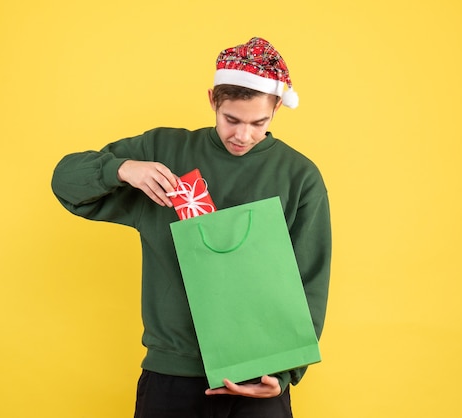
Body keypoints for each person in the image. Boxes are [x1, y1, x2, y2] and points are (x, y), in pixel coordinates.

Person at [51, 37, 331, 418]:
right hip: (172, 376)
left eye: (259, 123)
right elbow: (65, 181)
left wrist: (284, 372)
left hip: (259, 375)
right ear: (213, 100)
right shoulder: (164, 152)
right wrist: (122, 169)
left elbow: (309, 278)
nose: (242, 135)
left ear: (277, 107)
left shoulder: (300, 176)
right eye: (231, 119)